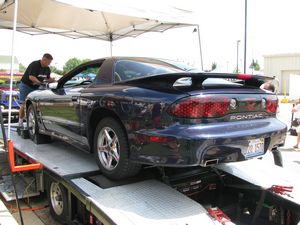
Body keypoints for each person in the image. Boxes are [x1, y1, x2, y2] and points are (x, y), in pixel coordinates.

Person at [18, 53, 55, 128]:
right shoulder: (34, 64)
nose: (49, 64)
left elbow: (47, 78)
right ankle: (20, 122)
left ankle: (33, 121)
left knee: (36, 105)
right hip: (26, 86)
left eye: (50, 63)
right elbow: (31, 77)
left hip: (36, 87)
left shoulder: (47, 69)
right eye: (48, 62)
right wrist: (40, 83)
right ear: (43, 59)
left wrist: (55, 80)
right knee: (24, 104)